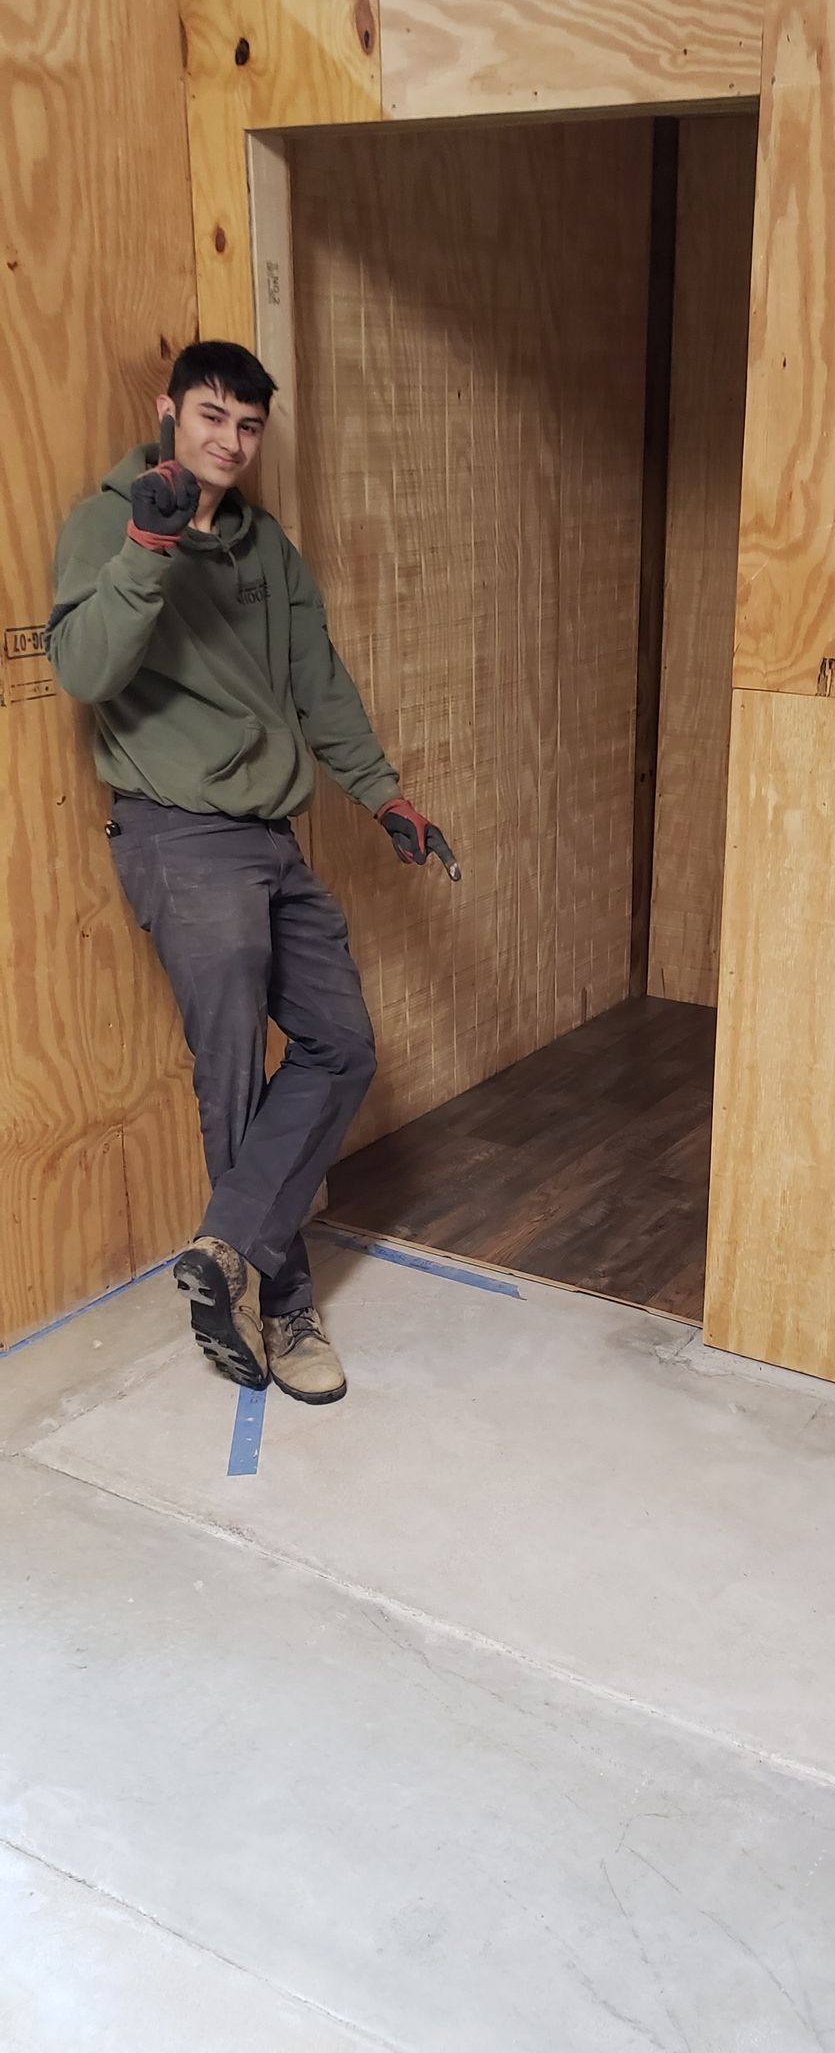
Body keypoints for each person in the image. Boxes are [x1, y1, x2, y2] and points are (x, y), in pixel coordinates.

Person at [46, 340, 455, 1407]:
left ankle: (225, 1251)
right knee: (230, 1078)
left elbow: (320, 684)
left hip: (274, 835)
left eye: (248, 425)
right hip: (180, 838)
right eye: (211, 416)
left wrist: (385, 795)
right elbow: (84, 670)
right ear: (169, 411)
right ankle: (284, 1311)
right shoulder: (109, 523)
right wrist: (148, 546)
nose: (229, 441)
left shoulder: (266, 546)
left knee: (341, 1045)